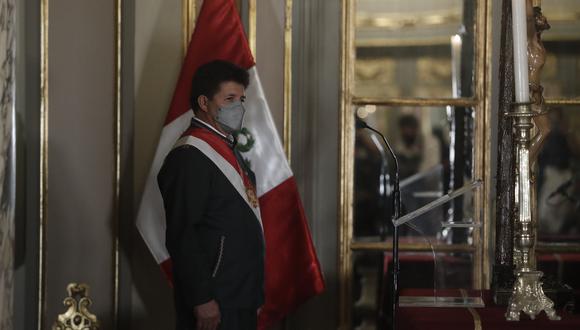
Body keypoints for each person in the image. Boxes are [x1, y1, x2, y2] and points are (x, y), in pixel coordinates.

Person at [158, 60, 264, 330]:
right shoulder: (190, 155)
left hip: (238, 294)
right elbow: (182, 233)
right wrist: (201, 298)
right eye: (229, 98)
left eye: (241, 99)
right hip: (213, 299)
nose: (238, 107)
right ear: (204, 103)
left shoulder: (228, 149)